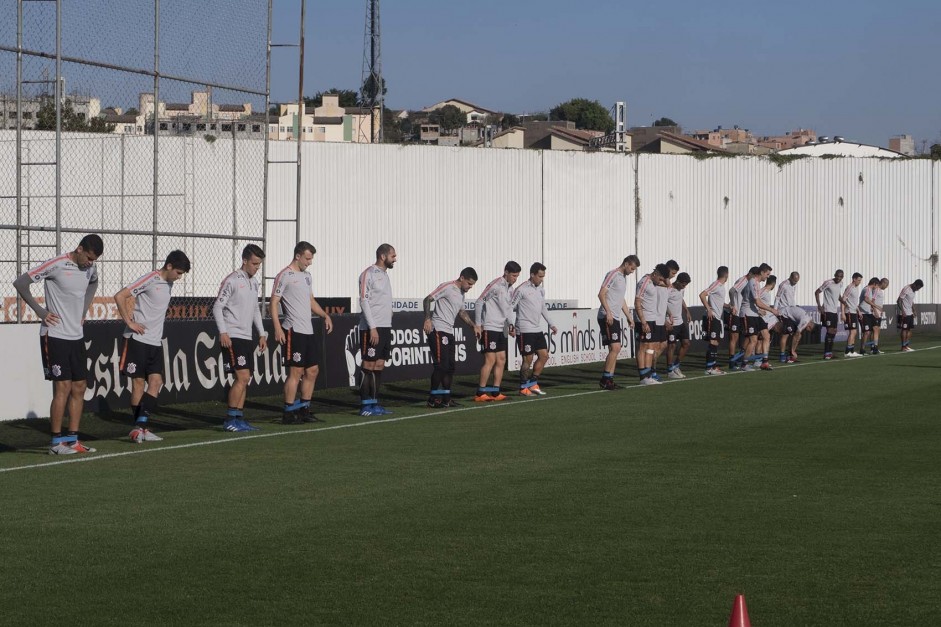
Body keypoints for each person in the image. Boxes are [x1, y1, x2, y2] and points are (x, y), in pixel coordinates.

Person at [14, 234, 104, 455]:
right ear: (80, 249)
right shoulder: (56, 264)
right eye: (89, 257)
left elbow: (94, 282)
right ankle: (56, 443)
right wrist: (40, 311)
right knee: (62, 387)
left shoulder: (90, 269)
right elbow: (21, 282)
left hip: (77, 336)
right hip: (54, 335)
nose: (90, 263)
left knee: (80, 386)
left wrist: (83, 310)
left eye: (94, 260)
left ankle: (72, 440)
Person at [115, 250, 191, 443]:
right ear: (169, 266)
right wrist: (129, 322)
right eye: (179, 273)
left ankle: (140, 427)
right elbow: (120, 296)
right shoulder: (150, 278)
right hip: (137, 339)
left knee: (156, 382)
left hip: (155, 342)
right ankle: (139, 428)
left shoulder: (169, 283)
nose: (179, 277)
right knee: (138, 383)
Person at [270, 241, 333, 424]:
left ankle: (304, 408)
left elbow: (310, 300)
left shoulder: (307, 276)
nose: (309, 262)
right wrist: (277, 327)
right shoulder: (284, 275)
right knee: (296, 372)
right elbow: (274, 302)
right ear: (298, 256)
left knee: (312, 370)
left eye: (311, 259)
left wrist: (324, 315)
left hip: (308, 330)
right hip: (293, 330)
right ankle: (288, 412)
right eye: (307, 258)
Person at [213, 244, 268, 432]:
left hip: (246, 336)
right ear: (244, 261)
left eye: (259, 265)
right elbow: (217, 307)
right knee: (242, 376)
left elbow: (254, 310)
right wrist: (223, 332)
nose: (257, 268)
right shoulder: (232, 280)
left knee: (247, 378)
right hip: (233, 335)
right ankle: (230, 419)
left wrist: (261, 333)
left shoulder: (254, 282)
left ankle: (239, 418)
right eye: (254, 264)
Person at [424, 268, 481, 407]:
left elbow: (462, 312)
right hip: (437, 329)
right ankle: (432, 399)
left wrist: (473, 325)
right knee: (441, 366)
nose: (470, 287)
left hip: (449, 331)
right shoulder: (447, 287)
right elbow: (428, 299)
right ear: (462, 278)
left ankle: (446, 399)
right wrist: (427, 319)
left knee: (450, 367)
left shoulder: (461, 293)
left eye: (472, 284)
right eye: (469, 283)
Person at [357, 244, 397, 416]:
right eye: (393, 256)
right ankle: (365, 404)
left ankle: (375, 403)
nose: (395, 259)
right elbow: (364, 301)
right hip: (371, 328)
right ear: (383, 256)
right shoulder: (368, 274)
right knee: (368, 364)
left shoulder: (385, 275)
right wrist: (372, 327)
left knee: (379, 365)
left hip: (385, 327)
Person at [475, 261, 521, 401]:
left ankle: (495, 392)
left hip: (500, 328)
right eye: (513, 275)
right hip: (489, 327)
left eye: (517, 276)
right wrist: (478, 324)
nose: (515, 279)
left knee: (501, 360)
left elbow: (508, 309)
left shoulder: (510, 289)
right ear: (506, 272)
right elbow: (479, 301)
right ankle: (480, 393)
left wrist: (511, 324)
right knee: (490, 360)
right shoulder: (495, 284)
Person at [512, 263, 558, 396]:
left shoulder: (540, 290)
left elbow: (543, 308)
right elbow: (510, 306)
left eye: (543, 276)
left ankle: (533, 383)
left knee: (544, 356)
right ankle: (522, 387)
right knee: (528, 359)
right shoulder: (521, 289)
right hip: (525, 329)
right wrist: (511, 325)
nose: (541, 279)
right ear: (532, 274)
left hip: (537, 329)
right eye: (539, 276)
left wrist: (551, 324)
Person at [597, 255, 640, 390]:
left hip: (614, 316)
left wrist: (629, 317)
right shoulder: (613, 274)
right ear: (626, 264)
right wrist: (608, 312)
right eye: (632, 268)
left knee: (614, 349)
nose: (632, 271)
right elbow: (601, 294)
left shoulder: (623, 278)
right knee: (616, 348)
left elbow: (621, 299)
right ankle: (605, 379)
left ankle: (609, 379)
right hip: (606, 316)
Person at [634, 263, 670, 385]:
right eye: (660, 278)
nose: (661, 281)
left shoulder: (654, 282)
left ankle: (648, 375)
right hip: (644, 319)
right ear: (655, 274)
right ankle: (642, 376)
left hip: (652, 318)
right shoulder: (644, 282)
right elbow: (637, 302)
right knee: (643, 347)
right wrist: (643, 321)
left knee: (651, 347)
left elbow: (667, 284)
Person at [699, 265, 729, 376]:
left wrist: (728, 306)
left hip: (717, 318)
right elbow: (702, 295)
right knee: (713, 342)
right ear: (726, 275)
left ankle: (712, 366)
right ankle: (709, 368)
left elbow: (719, 302)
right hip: (713, 317)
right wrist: (708, 309)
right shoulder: (716, 284)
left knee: (716, 342)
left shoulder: (721, 286)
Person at [665, 272, 692, 379]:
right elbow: (662, 303)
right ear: (678, 282)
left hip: (680, 322)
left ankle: (676, 366)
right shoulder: (669, 290)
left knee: (686, 343)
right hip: (671, 323)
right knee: (671, 346)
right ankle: (669, 370)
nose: (684, 287)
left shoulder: (681, 289)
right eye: (683, 285)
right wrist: (666, 319)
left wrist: (687, 311)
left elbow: (681, 300)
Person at [814, 269, 845, 360]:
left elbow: (838, 295)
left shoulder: (840, 284)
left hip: (834, 311)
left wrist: (843, 301)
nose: (839, 278)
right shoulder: (828, 283)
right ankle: (826, 353)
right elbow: (817, 292)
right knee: (830, 330)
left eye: (841, 276)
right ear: (834, 275)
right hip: (827, 310)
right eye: (838, 276)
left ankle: (829, 353)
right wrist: (819, 306)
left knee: (834, 331)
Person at [726, 270, 750, 370]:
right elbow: (732, 290)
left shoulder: (749, 282)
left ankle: (739, 358)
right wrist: (732, 305)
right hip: (735, 313)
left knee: (748, 336)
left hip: (742, 313)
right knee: (734, 338)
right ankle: (732, 362)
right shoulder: (743, 280)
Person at [756, 274, 777, 370]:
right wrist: (758, 310)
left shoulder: (767, 292)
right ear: (773, 284)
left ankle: (761, 360)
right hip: (761, 319)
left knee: (764, 339)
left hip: (766, 319)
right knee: (760, 339)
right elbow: (754, 301)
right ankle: (758, 360)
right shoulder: (763, 291)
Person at [896, 279, 924, 352]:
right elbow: (899, 300)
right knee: (904, 329)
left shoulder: (913, 291)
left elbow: (911, 301)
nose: (918, 290)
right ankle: (903, 347)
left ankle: (906, 346)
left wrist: (914, 310)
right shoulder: (906, 289)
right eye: (918, 288)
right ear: (915, 284)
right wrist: (903, 311)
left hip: (910, 313)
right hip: (904, 313)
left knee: (909, 329)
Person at [856, 277, 881, 355]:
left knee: (873, 330)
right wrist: (875, 306)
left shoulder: (870, 290)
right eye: (877, 285)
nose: (877, 287)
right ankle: (862, 349)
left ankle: (874, 348)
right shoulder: (867, 289)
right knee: (866, 332)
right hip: (863, 313)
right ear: (874, 284)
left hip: (868, 313)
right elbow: (866, 299)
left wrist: (873, 309)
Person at [841, 272, 864, 358]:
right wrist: (843, 313)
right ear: (854, 279)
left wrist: (859, 311)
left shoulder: (856, 288)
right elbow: (843, 300)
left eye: (860, 280)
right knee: (853, 331)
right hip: (849, 312)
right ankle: (848, 352)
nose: (859, 282)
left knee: (854, 332)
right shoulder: (850, 287)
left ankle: (851, 350)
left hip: (854, 312)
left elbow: (854, 302)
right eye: (858, 280)